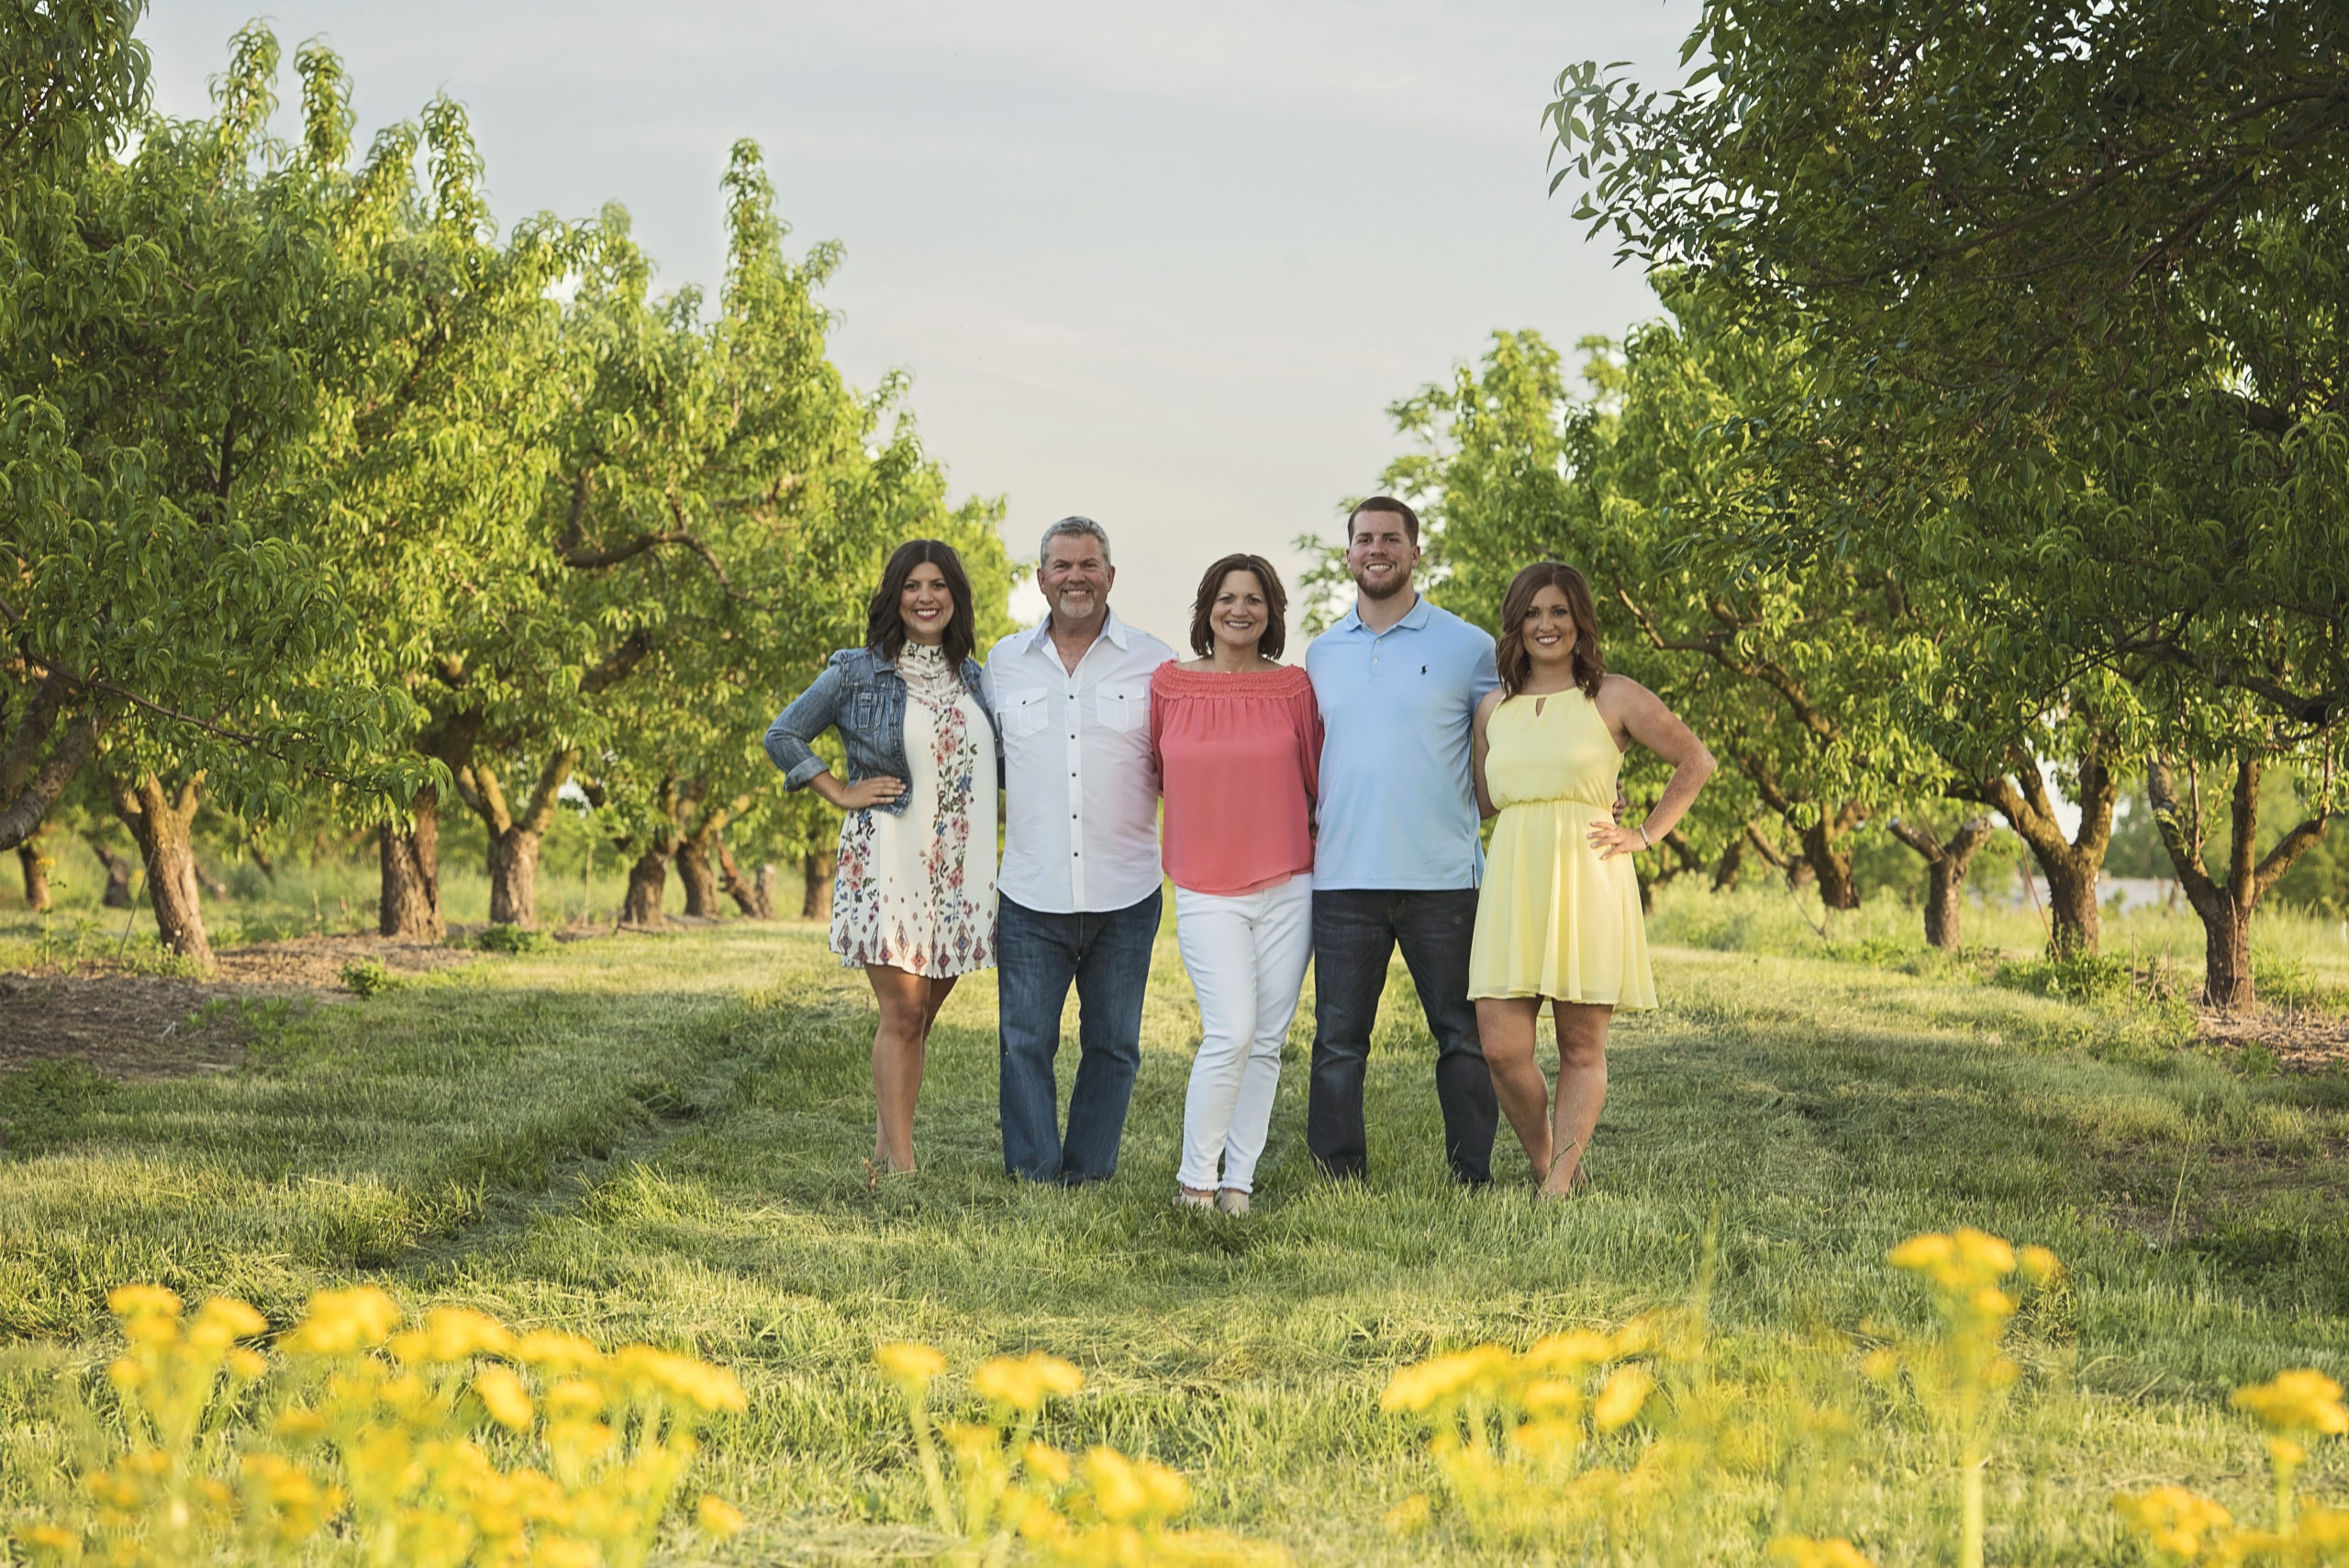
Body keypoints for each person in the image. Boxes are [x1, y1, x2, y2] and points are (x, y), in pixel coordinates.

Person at [1469, 562, 1713, 1196]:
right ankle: (1549, 1161)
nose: (1545, 624)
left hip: (1588, 877)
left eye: (1558, 611)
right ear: (1516, 624)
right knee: (1501, 1048)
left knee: (1581, 1047)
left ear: (1580, 620)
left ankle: (1556, 1189)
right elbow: (1485, 801)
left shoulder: (1614, 696)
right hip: (1513, 882)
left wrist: (1646, 832)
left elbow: (1695, 760)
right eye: (1532, 613)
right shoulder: (1493, 707)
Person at [762, 539, 1001, 1179]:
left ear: (955, 597)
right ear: (894, 596)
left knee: (920, 1018)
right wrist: (839, 790)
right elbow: (783, 733)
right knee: (902, 1012)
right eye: (912, 585)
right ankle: (903, 1165)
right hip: (889, 858)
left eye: (938, 585)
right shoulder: (857, 671)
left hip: (959, 871)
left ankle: (884, 1150)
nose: (926, 597)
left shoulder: (977, 679)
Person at [1303, 496, 1501, 1184]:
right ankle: (1338, 1174)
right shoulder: (1320, 653)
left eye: (1391, 538)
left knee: (1463, 1035)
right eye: (1365, 539)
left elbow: (1522, 726)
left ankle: (1472, 1172)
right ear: (1348, 555)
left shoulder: (1469, 646)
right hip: (1343, 877)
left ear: (1416, 552)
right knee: (1337, 1042)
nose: (1377, 549)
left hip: (1443, 877)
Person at [983, 517, 1175, 1184]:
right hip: (1031, 890)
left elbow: (1182, 765)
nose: (1075, 577)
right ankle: (1034, 1171)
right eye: (1061, 566)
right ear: (1041, 579)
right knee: (1023, 1042)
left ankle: (1089, 1173)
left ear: (1110, 576)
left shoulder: (1155, 662)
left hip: (1127, 891)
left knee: (1114, 1044)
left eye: (1088, 565)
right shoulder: (1003, 663)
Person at [1151, 554, 1322, 1216]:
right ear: (1208, 608)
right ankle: (1196, 1181)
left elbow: (1317, 776)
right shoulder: (1169, 685)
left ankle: (1238, 1183)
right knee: (1231, 1031)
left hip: (1289, 883)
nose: (1240, 610)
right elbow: (1158, 769)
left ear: (1271, 612)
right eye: (1228, 598)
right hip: (1204, 885)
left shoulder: (1294, 688)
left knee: (1268, 1041)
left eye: (1254, 599)